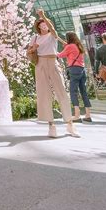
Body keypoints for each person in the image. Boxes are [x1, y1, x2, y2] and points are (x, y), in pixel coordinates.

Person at [27, 10, 80, 138]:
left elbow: (52, 29)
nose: (45, 25)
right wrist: (33, 48)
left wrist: (43, 16)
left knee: (61, 91)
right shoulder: (34, 37)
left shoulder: (52, 35)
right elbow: (29, 52)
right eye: (42, 24)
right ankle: (51, 126)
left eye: (47, 23)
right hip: (40, 64)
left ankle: (70, 124)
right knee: (44, 93)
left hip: (53, 61)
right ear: (38, 26)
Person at [57, 32, 92, 123]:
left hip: (74, 70)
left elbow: (60, 55)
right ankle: (88, 115)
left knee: (73, 92)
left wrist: (54, 52)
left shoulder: (70, 46)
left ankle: (77, 115)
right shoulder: (79, 46)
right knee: (83, 92)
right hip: (82, 70)